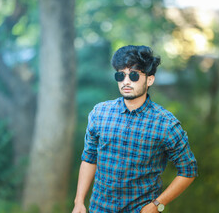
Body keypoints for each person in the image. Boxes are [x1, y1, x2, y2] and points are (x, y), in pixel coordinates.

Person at [72, 45, 198, 213]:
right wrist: (79, 202)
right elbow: (89, 159)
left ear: (150, 79)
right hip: (99, 209)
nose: (126, 81)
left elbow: (188, 170)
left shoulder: (166, 124)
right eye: (120, 75)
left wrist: (157, 205)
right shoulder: (99, 113)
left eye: (133, 75)